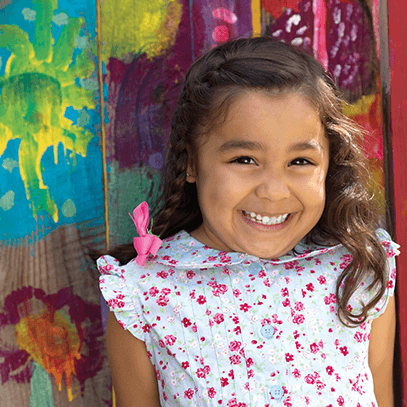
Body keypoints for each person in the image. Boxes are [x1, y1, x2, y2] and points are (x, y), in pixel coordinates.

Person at [97, 37, 399, 407]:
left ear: (329, 164)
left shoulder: (359, 270)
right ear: (192, 162)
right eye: (244, 160)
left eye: (300, 162)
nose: (274, 191)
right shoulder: (143, 297)